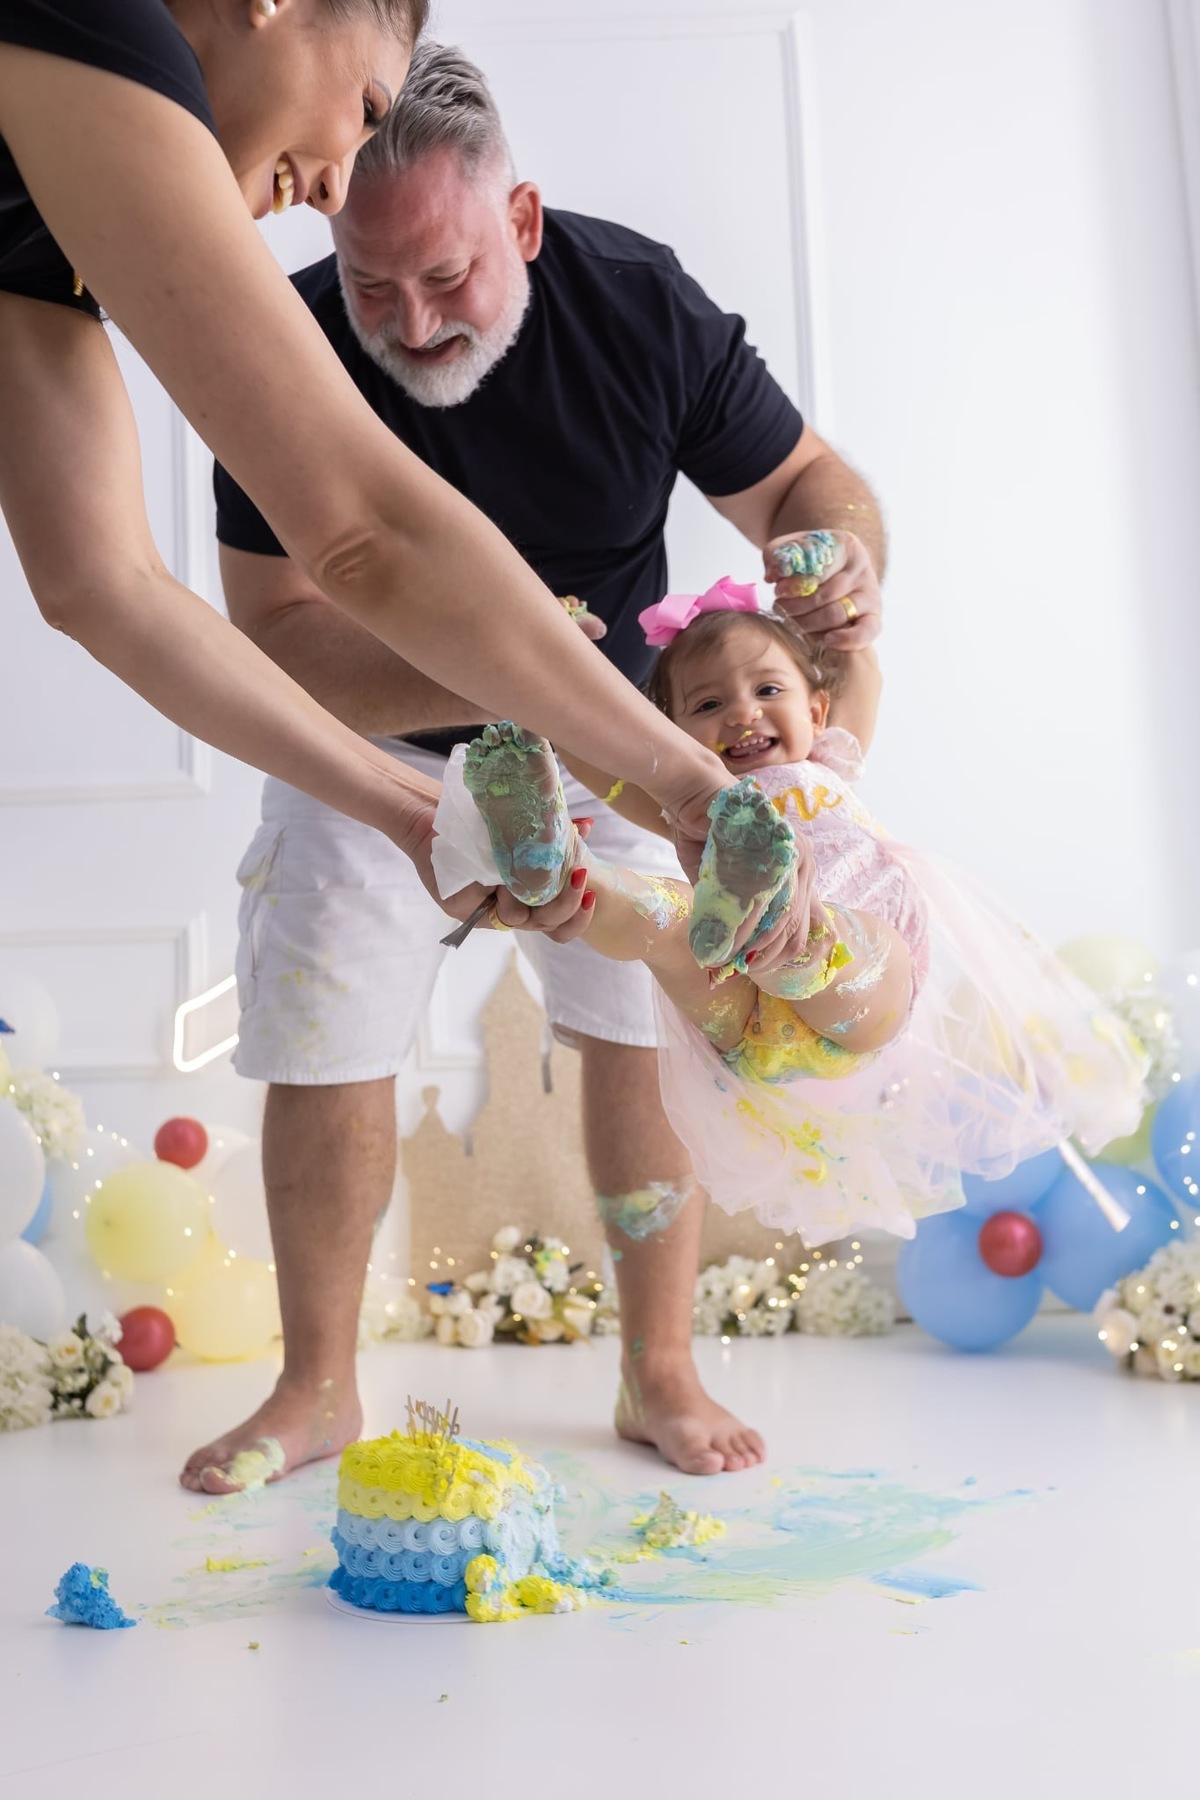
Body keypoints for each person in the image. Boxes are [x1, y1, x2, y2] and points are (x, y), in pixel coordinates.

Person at [186, 40, 887, 1491]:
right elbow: (275, 638)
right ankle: (317, 1387)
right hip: (372, 749)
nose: (408, 321)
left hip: (625, 750)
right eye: (371, 285)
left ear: (522, 219)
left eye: (446, 277)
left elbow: (811, 483)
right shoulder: (283, 348)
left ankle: (659, 1370)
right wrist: (497, 667)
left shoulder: (636, 302)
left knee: (640, 1037)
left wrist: (834, 555)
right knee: (325, 1042)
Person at [0, 0, 763, 956]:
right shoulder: (95, 24)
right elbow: (362, 533)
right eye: (366, 105)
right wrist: (693, 784)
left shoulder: (37, 237)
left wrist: (412, 813)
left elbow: (103, 588)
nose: (333, 192)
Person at [449, 587, 1149, 1253]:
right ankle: (558, 865)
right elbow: (604, 766)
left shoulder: (832, 757)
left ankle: (741, 911)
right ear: (669, 736)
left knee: (794, 937)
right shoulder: (684, 798)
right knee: (669, 920)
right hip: (749, 1020)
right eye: (709, 703)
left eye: (768, 690)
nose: (743, 713)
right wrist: (558, 673)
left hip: (846, 1003)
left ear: (819, 711)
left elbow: (862, 668)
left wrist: (833, 602)